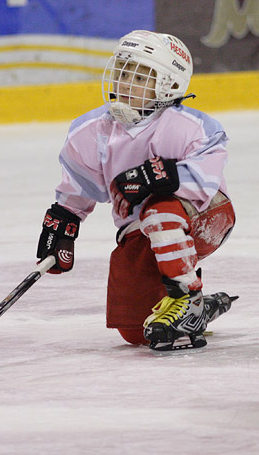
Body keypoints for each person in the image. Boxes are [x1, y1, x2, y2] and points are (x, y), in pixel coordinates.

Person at [35, 30, 237, 352]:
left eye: (141, 76)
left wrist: (159, 175)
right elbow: (78, 188)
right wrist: (63, 224)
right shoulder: (92, 131)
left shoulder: (190, 126)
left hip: (205, 218)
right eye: (124, 71)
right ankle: (199, 308)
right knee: (135, 330)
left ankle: (187, 300)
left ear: (169, 85)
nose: (127, 82)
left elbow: (205, 177)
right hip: (141, 229)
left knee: (160, 210)